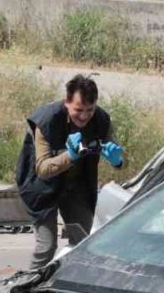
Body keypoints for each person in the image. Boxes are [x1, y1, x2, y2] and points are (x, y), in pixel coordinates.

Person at [15, 74, 124, 269]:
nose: (84, 116)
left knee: (82, 244)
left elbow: (117, 152)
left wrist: (117, 160)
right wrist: (70, 156)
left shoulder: (101, 120)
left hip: (77, 187)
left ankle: (67, 282)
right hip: (42, 186)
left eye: (90, 110)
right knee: (46, 248)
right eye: (78, 110)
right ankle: (30, 283)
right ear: (67, 102)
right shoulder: (47, 120)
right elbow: (43, 169)